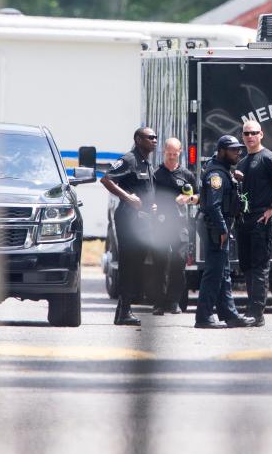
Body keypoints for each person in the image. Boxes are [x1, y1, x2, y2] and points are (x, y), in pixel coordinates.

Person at [236, 120, 272, 326]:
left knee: (259, 267)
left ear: (261, 134)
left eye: (253, 133)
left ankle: (256, 313)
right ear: (242, 136)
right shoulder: (242, 161)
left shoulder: (269, 158)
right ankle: (251, 309)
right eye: (246, 133)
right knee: (247, 267)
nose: (250, 136)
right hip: (244, 220)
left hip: (261, 219)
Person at [195, 135, 257, 329]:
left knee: (223, 272)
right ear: (222, 151)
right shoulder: (216, 175)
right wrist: (222, 229)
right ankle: (203, 317)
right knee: (214, 273)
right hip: (215, 226)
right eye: (233, 150)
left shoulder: (224, 171)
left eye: (239, 149)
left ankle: (229, 314)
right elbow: (213, 206)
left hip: (219, 225)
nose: (238, 153)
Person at [101, 127, 158, 326]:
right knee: (130, 264)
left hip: (143, 219)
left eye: (155, 137)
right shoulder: (129, 159)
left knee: (135, 265)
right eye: (150, 137)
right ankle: (124, 312)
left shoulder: (146, 162)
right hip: (129, 219)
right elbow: (106, 179)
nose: (154, 140)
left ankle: (122, 312)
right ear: (138, 139)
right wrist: (128, 197)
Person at [150, 138, 199, 315]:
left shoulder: (186, 175)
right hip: (160, 226)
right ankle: (158, 303)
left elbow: (198, 196)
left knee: (178, 264)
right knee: (160, 265)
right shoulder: (155, 174)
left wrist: (188, 199)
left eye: (175, 153)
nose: (171, 156)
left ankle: (174, 302)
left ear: (180, 152)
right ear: (164, 151)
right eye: (169, 153)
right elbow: (149, 198)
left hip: (180, 227)